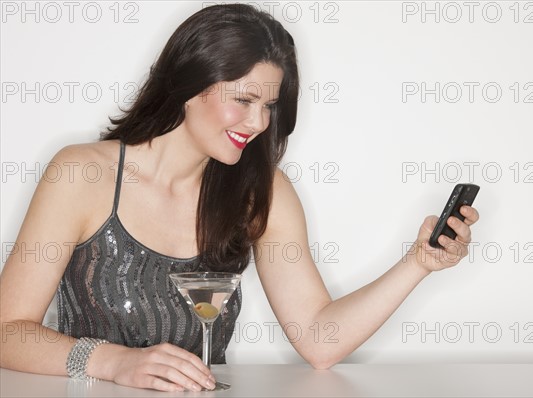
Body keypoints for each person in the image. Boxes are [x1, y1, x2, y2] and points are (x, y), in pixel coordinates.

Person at [0, 3, 479, 393]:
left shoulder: (262, 192)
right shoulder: (82, 173)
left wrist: (418, 263)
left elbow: (319, 340)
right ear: (190, 85)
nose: (259, 124)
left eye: (270, 106)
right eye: (244, 100)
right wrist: (114, 363)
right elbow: (8, 331)